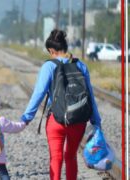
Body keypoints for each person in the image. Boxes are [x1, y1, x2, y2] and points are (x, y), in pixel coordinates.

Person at [20, 29, 102, 180]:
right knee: (71, 157)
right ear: (65, 47)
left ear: (51, 50)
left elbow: (38, 94)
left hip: (56, 120)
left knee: (56, 158)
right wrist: (96, 121)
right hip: (78, 120)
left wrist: (27, 117)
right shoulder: (81, 66)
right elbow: (90, 95)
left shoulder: (49, 66)